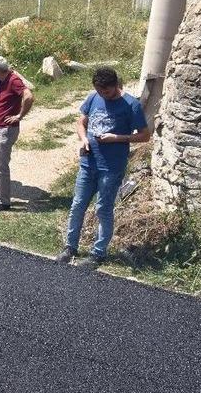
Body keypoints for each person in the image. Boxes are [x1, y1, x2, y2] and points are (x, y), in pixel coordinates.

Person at [56, 67, 151, 268]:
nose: (103, 95)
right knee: (77, 205)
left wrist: (118, 138)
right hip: (88, 163)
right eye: (99, 91)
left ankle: (98, 253)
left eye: (106, 92)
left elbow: (145, 135)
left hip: (112, 167)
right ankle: (70, 247)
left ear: (116, 85)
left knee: (103, 209)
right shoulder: (93, 98)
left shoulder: (131, 105)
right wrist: (83, 140)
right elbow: (81, 122)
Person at [0, 56, 33, 212]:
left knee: (1, 166)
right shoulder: (1, 80)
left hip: (6, 129)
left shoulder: (13, 80)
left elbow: (29, 96)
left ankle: (5, 202)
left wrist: (19, 116)